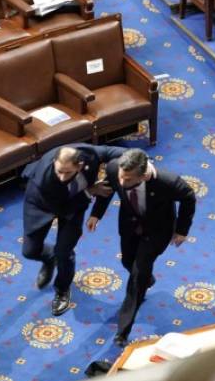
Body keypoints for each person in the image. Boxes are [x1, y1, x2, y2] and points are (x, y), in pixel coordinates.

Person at [87, 149, 196, 346]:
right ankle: (147, 278)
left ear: (144, 176)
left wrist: (182, 230)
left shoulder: (167, 182)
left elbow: (189, 196)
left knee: (137, 276)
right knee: (127, 261)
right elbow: (108, 190)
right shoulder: (115, 169)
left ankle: (122, 331)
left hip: (157, 231)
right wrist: (97, 213)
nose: (122, 181)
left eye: (127, 179)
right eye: (121, 176)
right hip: (129, 225)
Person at [22, 144, 126, 316]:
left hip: (75, 207)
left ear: (80, 165)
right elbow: (62, 206)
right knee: (29, 251)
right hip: (42, 205)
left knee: (64, 251)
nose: (62, 177)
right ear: (54, 162)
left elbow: (116, 153)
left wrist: (141, 162)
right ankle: (49, 257)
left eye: (68, 172)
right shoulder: (45, 178)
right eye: (59, 171)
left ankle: (62, 290)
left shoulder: (90, 155)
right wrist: (90, 191)